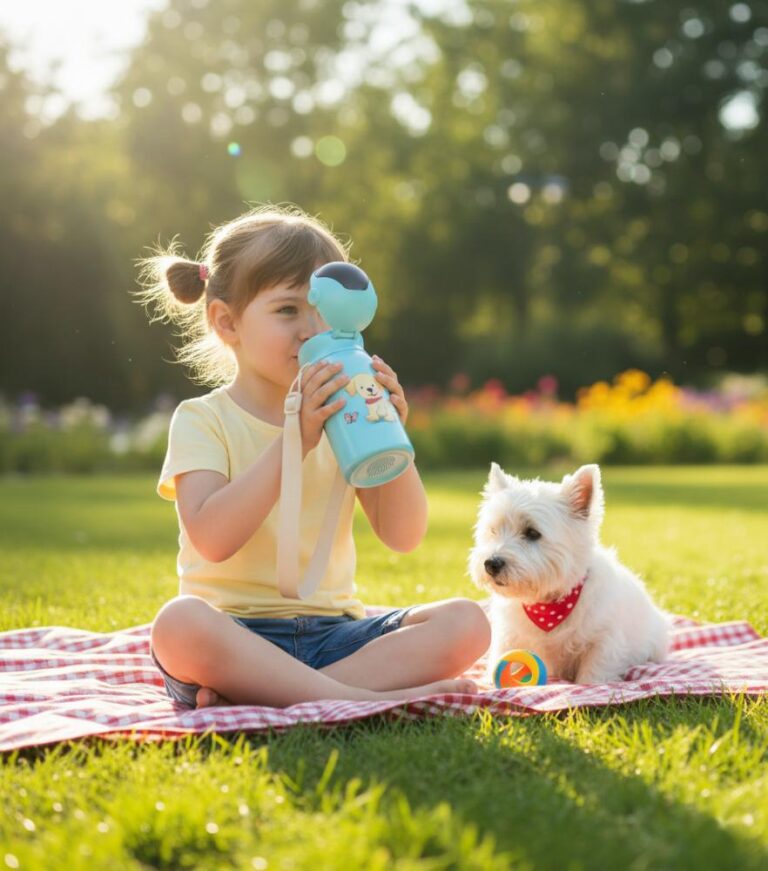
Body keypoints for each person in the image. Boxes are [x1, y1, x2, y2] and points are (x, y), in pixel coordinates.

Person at [137, 204, 490, 709]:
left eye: (325, 312)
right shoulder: (203, 418)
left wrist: (389, 436)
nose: (311, 330)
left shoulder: (344, 413)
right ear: (226, 322)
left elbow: (404, 535)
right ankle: (352, 698)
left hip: (336, 637)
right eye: (288, 310)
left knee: (467, 622)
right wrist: (293, 441)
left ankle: (284, 695)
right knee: (177, 625)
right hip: (236, 636)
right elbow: (212, 539)